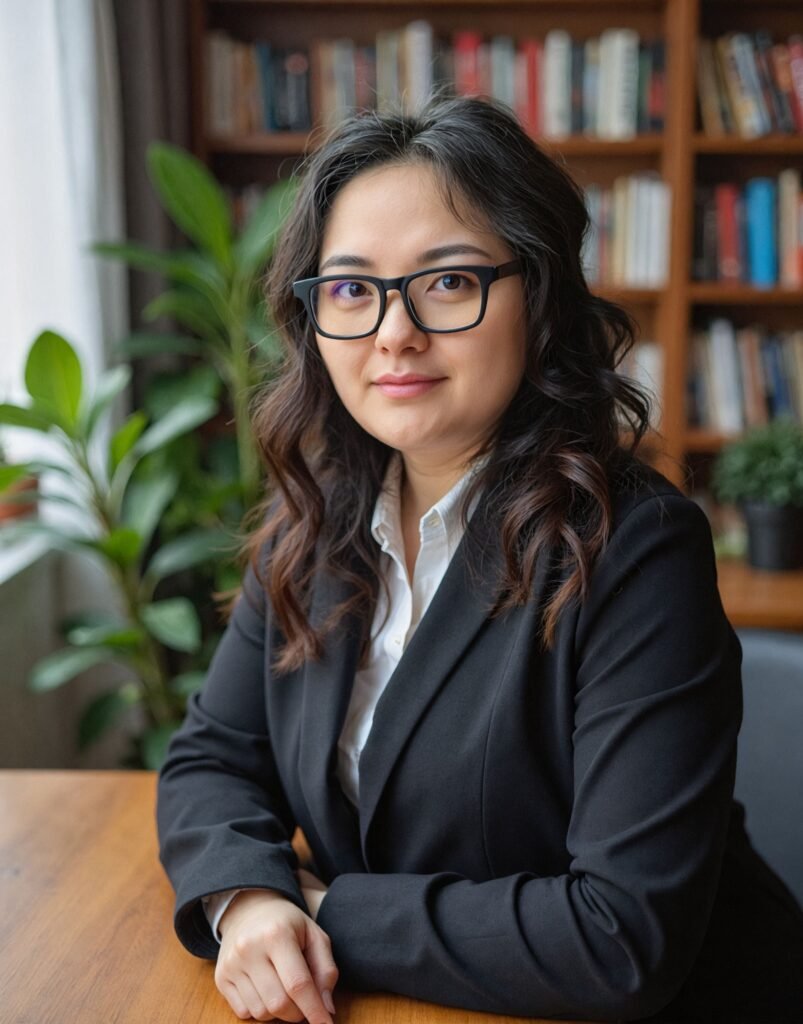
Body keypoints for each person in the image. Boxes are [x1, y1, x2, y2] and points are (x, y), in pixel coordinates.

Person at [156, 95, 803, 1024]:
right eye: (349, 288)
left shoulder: (635, 548)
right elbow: (214, 754)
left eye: (448, 281)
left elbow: (618, 936)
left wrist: (327, 911)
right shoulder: (318, 520)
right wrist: (247, 897)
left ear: (535, 295)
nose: (392, 333)